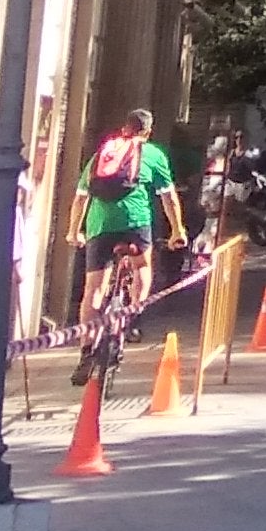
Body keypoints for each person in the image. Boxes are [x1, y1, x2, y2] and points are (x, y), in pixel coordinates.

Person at [75, 107, 182, 378]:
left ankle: (87, 350)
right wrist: (177, 230)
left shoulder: (105, 152)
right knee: (142, 268)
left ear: (125, 128)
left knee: (94, 289)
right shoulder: (154, 154)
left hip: (99, 225)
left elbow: (80, 197)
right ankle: (131, 317)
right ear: (148, 131)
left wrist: (73, 231)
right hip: (135, 223)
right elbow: (168, 197)